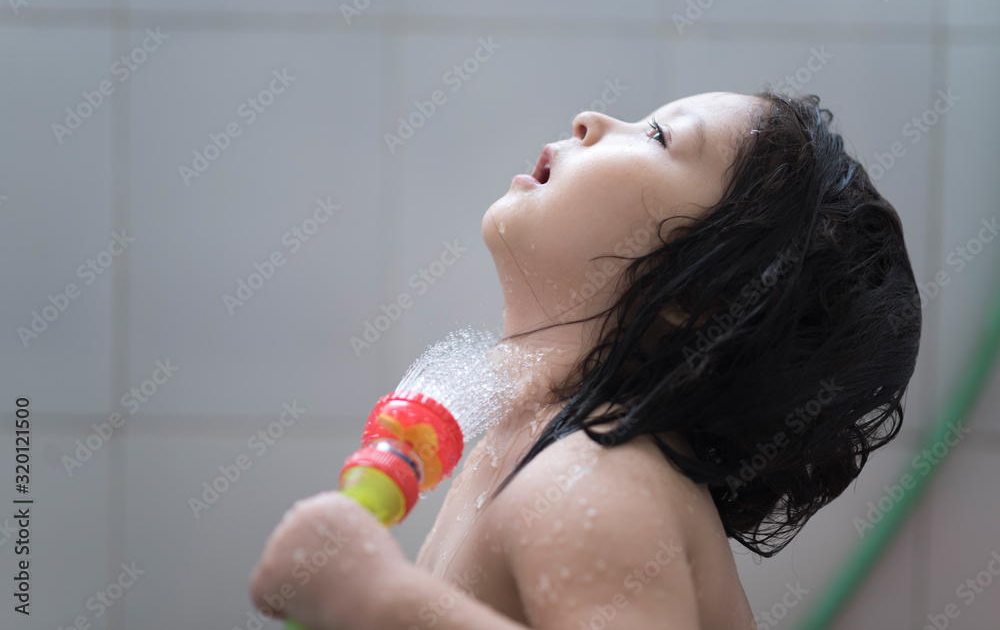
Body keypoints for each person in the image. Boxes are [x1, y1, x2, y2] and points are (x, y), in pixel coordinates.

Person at [250, 90, 921, 629]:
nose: (591, 118)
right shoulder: (524, 447)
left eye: (660, 137)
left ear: (697, 295)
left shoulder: (592, 477)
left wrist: (382, 601)